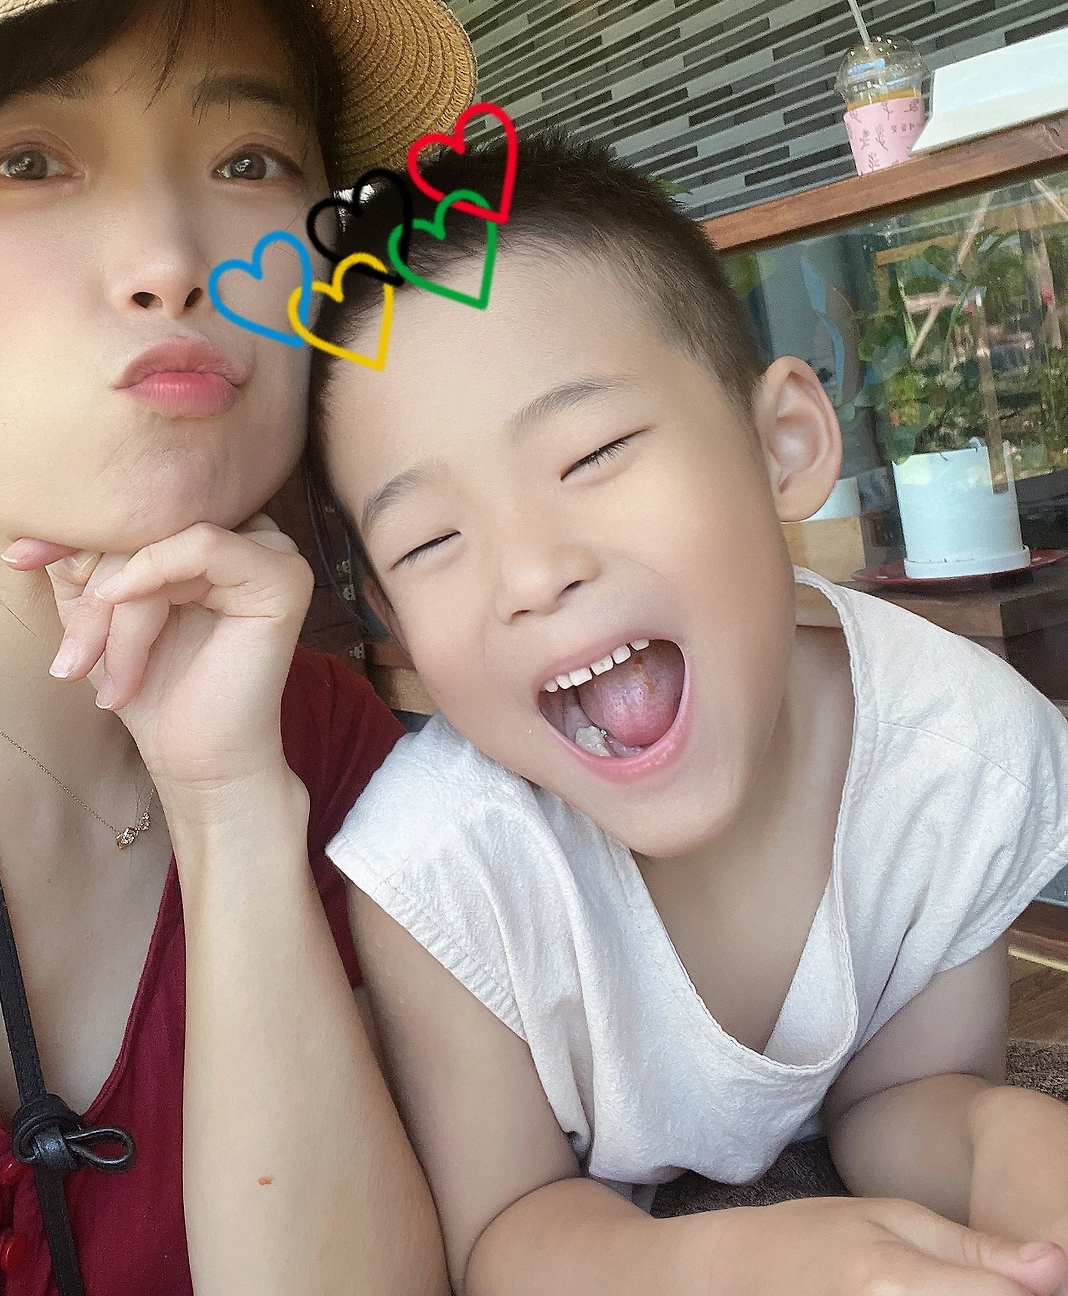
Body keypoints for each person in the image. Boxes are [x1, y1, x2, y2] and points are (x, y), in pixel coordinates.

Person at [0, 0, 475, 1295]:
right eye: (27, 160)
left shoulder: (354, 774)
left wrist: (234, 820)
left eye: (250, 161)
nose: (171, 259)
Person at [304, 129, 1068, 1296]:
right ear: (393, 620)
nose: (530, 572)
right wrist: (728, 1259)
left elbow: (905, 1093)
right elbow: (506, 1226)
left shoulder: (960, 754)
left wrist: (1007, 1143)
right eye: (429, 539)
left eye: (592, 451)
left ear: (782, 445)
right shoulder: (439, 872)